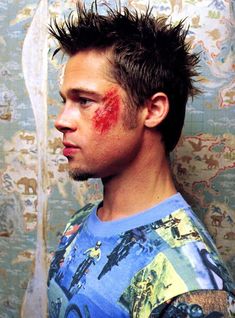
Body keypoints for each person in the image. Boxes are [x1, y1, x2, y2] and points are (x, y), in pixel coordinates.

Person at [47, 3, 235, 317]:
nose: (61, 120)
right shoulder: (78, 223)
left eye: (84, 100)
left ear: (152, 110)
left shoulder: (193, 289)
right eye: (65, 101)